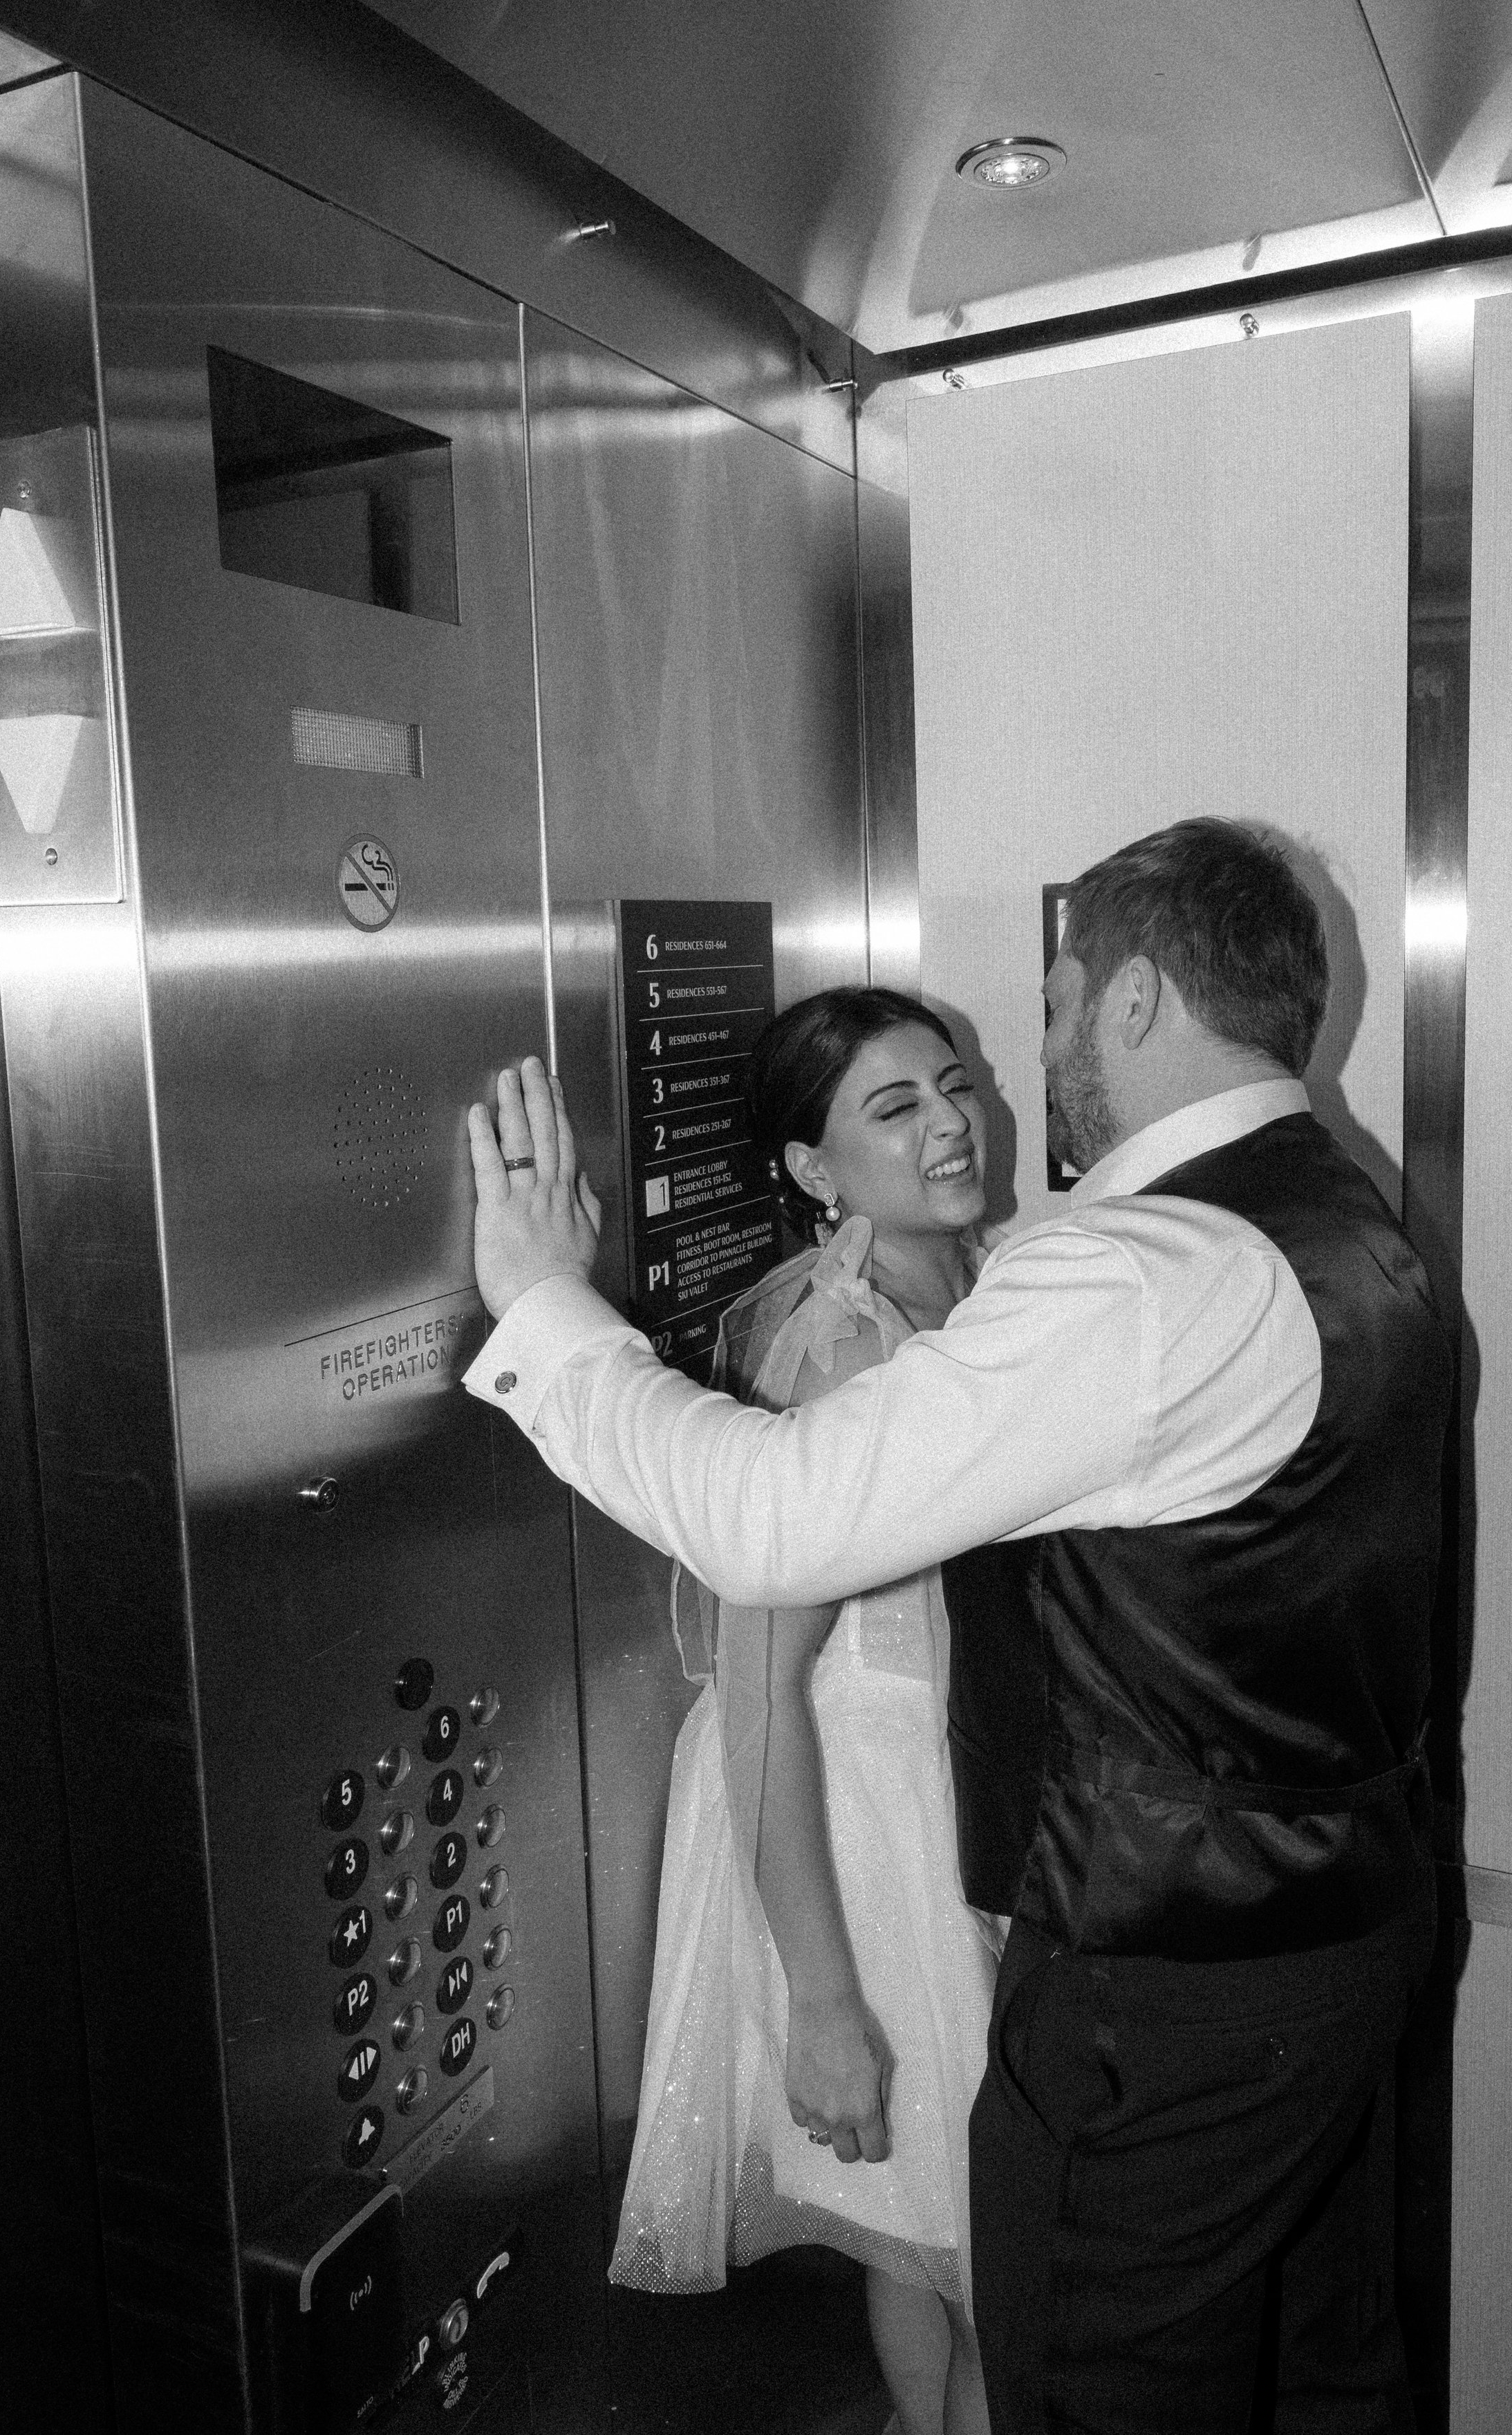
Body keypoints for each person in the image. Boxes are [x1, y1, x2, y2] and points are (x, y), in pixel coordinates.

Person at [465, 817, 1452, 2435]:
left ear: (1131, 1002)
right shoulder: (1339, 1217)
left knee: (1092, 2382)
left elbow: (770, 1514)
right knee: (1304, 2371)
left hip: (1167, 1988)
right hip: (1324, 1933)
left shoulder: (1130, 1274)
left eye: (1052, 1007)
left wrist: (542, 1308)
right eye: (897, 1097)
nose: (1023, 1064)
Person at [608, 988, 998, 2435]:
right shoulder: (838, 1342)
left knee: (927, 2234)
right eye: (892, 1109)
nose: (949, 1123)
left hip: (925, 1787)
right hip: (851, 1820)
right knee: (1003, 2273)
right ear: (812, 1173)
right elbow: (759, 1682)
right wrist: (823, 2001)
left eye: (950, 1085)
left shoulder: (967, 1290)